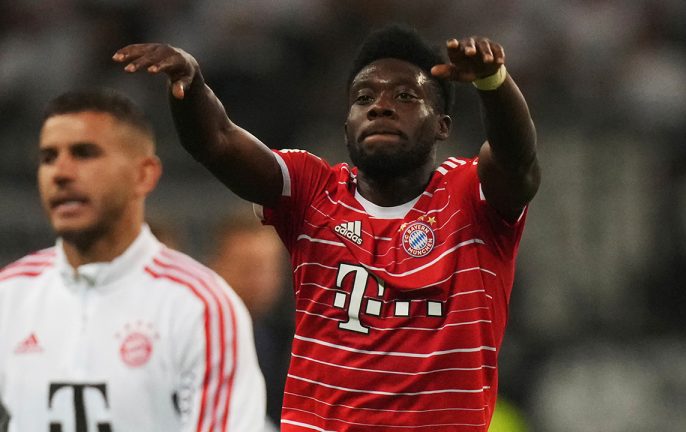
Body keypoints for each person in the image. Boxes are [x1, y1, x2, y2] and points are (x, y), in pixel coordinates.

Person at [114, 23, 540, 432]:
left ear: (442, 126)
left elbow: (516, 160)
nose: (381, 105)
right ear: (347, 125)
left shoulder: (470, 197)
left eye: (406, 96)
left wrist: (493, 84)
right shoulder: (313, 190)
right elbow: (218, 141)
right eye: (363, 97)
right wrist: (191, 88)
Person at [0, 89, 267, 432]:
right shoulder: (10, 295)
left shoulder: (200, 306)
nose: (60, 173)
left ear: (144, 174)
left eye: (84, 153)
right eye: (48, 157)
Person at [208, 212, 292, 427]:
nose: (259, 282)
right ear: (215, 264)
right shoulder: (195, 335)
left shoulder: (289, 344)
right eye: (248, 268)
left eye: (269, 269)